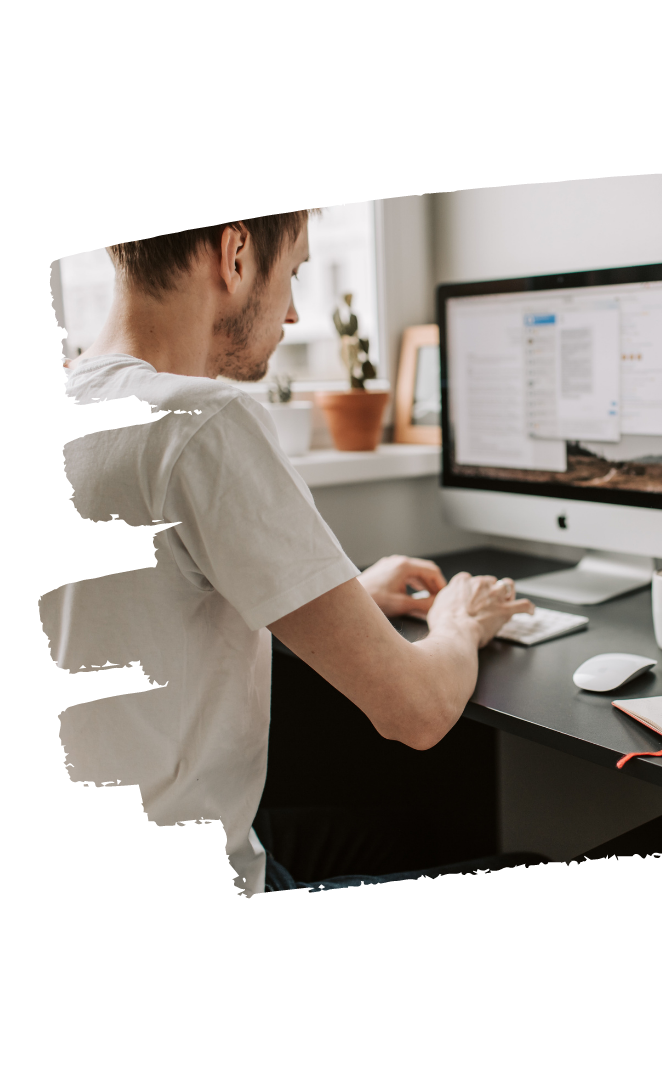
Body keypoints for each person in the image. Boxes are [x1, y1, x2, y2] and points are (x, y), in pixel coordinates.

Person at [41, 210, 535, 894]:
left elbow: (134, 615)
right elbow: (417, 712)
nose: (296, 311)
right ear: (235, 252)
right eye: (295, 272)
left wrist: (347, 596)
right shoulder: (201, 421)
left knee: (413, 833)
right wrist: (458, 623)